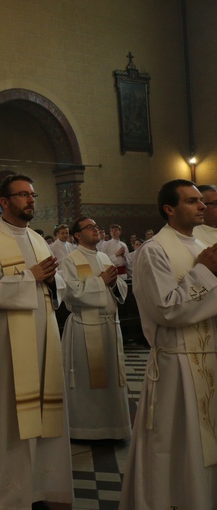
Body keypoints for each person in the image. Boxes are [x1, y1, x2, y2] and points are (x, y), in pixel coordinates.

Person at [0, 174, 72, 509]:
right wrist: (31, 277)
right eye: (23, 194)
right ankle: (4, 494)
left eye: (32, 194)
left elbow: (57, 286)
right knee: (7, 420)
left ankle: (37, 487)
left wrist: (53, 282)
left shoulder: (39, 241)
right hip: (4, 350)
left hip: (42, 343)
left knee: (41, 414)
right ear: (4, 201)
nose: (30, 200)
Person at [120, 179, 217, 510]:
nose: (202, 206)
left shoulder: (200, 245)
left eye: (202, 201)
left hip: (210, 359)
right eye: (192, 201)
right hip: (178, 364)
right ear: (169, 209)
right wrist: (203, 271)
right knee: (175, 446)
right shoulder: (155, 251)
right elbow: (165, 309)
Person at [62, 217, 131, 440]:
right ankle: (86, 429)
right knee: (86, 381)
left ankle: (113, 428)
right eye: (89, 227)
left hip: (110, 326)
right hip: (84, 326)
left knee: (112, 378)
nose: (95, 230)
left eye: (96, 227)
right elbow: (71, 293)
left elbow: (121, 286)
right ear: (77, 235)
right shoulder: (71, 260)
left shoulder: (103, 257)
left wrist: (112, 283)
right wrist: (100, 281)